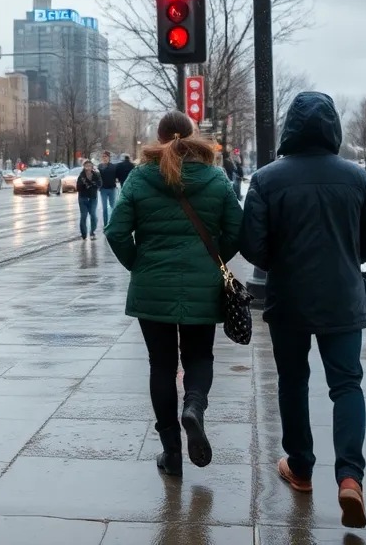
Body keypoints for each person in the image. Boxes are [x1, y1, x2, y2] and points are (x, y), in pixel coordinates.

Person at [240, 92, 366, 530]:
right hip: (343, 298)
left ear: (290, 127)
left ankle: (301, 468)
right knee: (347, 385)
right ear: (332, 128)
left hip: (289, 297)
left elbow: (252, 244)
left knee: (292, 381)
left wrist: (280, 261)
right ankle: (349, 477)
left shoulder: (267, 179)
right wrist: (347, 256)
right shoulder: (355, 177)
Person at [104, 111, 243, 479]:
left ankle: (171, 451)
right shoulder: (216, 178)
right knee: (199, 357)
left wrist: (139, 263)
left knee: (161, 367)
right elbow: (237, 230)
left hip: (153, 286)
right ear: (192, 137)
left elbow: (116, 232)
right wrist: (213, 260)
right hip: (202, 284)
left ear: (159, 136)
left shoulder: (139, 177)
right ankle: (194, 407)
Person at [76, 159, 102, 240]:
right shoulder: (81, 176)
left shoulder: (96, 175)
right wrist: (83, 184)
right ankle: (84, 234)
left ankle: (92, 232)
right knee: (83, 216)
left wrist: (92, 184)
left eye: (89, 166)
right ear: (84, 167)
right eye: (86, 166)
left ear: (92, 167)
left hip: (93, 198)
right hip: (83, 198)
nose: (88, 168)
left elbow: (99, 184)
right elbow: (78, 188)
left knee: (93, 215)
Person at [98, 151, 119, 227]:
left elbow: (118, 176)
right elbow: (96, 178)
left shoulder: (113, 167)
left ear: (109, 158)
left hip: (112, 189)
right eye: (103, 156)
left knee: (113, 206)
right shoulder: (99, 166)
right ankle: (105, 224)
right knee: (104, 208)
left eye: (106, 156)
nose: (104, 158)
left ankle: (113, 223)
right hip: (103, 189)